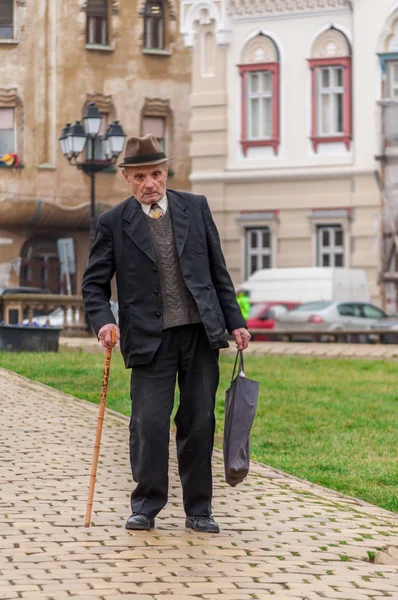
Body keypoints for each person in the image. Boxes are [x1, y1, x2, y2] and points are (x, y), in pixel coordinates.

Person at [82, 134, 251, 534]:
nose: (149, 183)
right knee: (148, 422)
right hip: (148, 338)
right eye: (139, 176)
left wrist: (235, 320)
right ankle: (146, 504)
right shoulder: (113, 223)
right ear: (127, 178)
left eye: (155, 174)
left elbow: (217, 271)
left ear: (166, 172)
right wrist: (104, 320)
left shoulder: (196, 207)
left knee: (199, 420)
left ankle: (199, 510)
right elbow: (94, 284)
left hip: (198, 333)